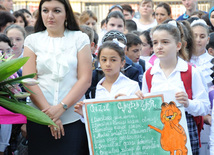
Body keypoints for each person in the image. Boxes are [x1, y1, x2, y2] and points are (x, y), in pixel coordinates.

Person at [22, 0, 92, 154]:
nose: (50, 16)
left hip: (72, 118)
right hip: (39, 117)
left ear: (66, 13)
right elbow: (28, 80)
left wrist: (60, 108)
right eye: (45, 10)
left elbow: (85, 79)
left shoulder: (80, 38)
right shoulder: (32, 40)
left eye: (57, 11)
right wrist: (50, 114)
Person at [136, 23, 210, 154]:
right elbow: (146, 110)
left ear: (178, 46)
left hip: (185, 130)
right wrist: (141, 99)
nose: (159, 46)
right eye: (155, 42)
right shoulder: (149, 74)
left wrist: (188, 103)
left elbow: (204, 106)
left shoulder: (191, 72)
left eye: (165, 42)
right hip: (161, 132)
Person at [74, 41, 140, 116]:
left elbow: (138, 116)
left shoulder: (132, 86)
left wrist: (129, 104)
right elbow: (100, 118)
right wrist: (85, 114)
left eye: (113, 60)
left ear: (122, 63)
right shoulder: (98, 88)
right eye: (104, 60)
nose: (108, 64)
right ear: (99, 63)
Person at [190, 19, 213, 87]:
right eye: (195, 36)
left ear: (207, 40)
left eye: (202, 37)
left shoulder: (212, 62)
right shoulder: (183, 60)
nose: (198, 40)